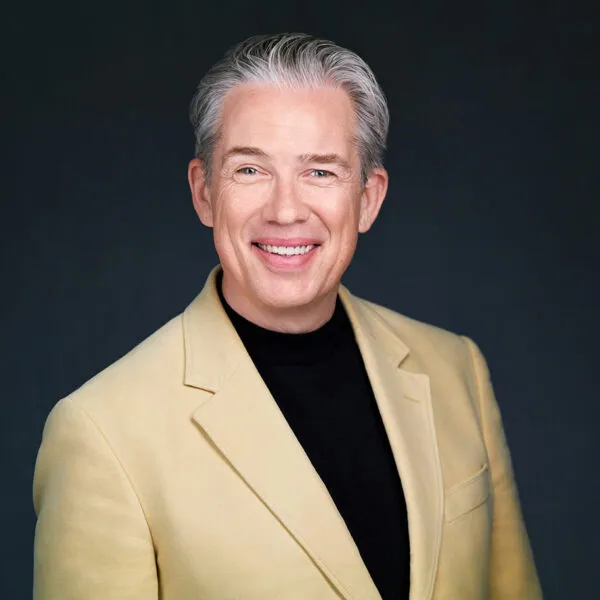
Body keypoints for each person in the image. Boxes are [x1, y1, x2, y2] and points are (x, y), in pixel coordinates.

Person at [32, 33, 542, 600]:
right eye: (250, 170)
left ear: (368, 198)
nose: (285, 210)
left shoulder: (456, 368)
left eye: (320, 172)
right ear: (204, 193)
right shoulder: (101, 432)